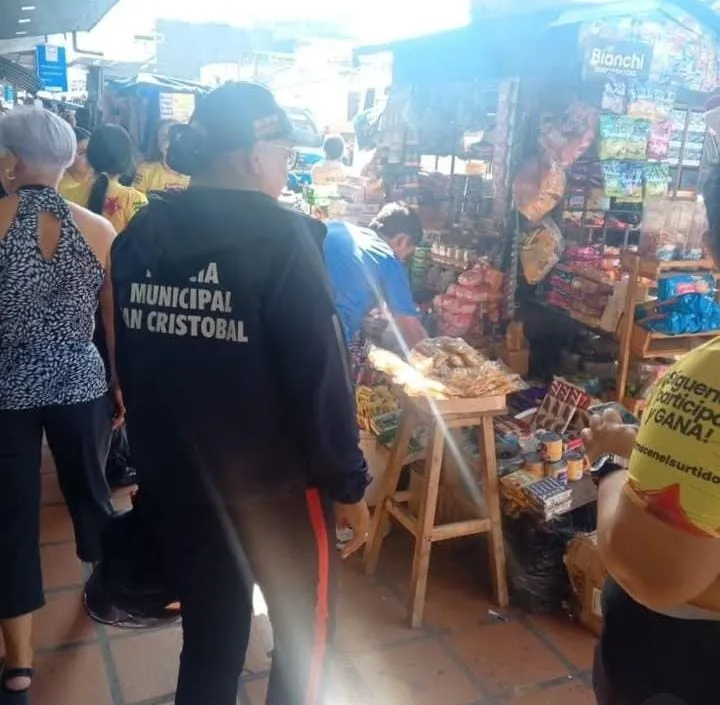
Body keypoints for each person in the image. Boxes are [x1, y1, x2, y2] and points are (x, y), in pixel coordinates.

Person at [110, 81, 371, 705]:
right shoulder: (284, 240)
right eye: (285, 152)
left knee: (210, 638)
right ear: (254, 154)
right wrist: (348, 483)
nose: (287, 165)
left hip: (183, 484)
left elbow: (133, 360)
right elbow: (320, 378)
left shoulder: (141, 233)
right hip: (281, 492)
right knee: (305, 635)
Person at [581, 165, 720, 705]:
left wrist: (610, 468)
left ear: (709, 248)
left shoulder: (706, 381)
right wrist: (638, 444)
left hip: (682, 664)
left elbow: (655, 573)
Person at [0, 107, 122, 702]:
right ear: (69, 158)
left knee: (9, 516)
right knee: (90, 491)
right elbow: (113, 323)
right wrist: (121, 385)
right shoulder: (99, 229)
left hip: (5, 388)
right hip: (80, 382)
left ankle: (19, 664)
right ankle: (106, 588)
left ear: (10, 161)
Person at [324, 203, 429, 367]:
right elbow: (409, 328)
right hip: (323, 342)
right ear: (401, 240)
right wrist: (432, 366)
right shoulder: (388, 259)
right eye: (405, 255)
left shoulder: (334, 226)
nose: (401, 260)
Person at [133, 119, 190, 194]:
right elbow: (135, 198)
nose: (170, 143)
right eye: (164, 138)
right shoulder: (146, 170)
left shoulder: (196, 174)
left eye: (175, 138)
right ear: (158, 144)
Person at [58, 126, 91, 203]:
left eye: (91, 153)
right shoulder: (49, 190)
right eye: (81, 153)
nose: (90, 159)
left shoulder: (98, 188)